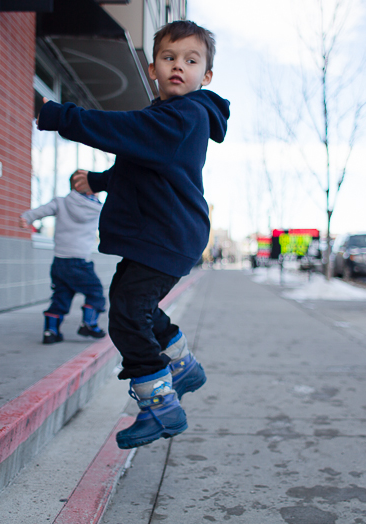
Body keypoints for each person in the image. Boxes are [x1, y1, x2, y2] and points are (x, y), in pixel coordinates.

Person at [37, 20, 229, 449]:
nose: (178, 66)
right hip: (161, 234)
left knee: (126, 315)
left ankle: (160, 406)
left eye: (191, 61)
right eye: (169, 57)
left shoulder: (186, 114)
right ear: (152, 69)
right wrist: (99, 181)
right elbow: (138, 163)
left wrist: (61, 116)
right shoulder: (165, 117)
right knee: (132, 304)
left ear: (206, 76)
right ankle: (182, 367)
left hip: (168, 234)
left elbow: (124, 131)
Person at [20, 172, 107, 344]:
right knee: (95, 293)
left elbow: (41, 211)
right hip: (80, 262)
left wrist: (26, 218)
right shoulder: (97, 208)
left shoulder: (61, 202)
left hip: (59, 262)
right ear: (86, 187)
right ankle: (89, 324)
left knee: (61, 296)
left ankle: (50, 331)